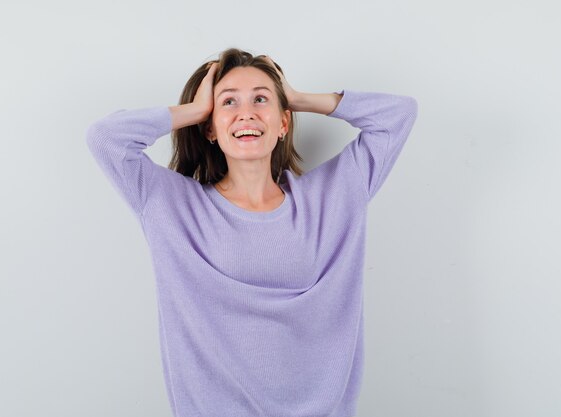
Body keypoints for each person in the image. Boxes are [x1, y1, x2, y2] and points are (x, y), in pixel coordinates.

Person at [86, 47, 418, 417]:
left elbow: (398, 114)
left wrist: (297, 97)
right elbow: (105, 138)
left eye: (261, 99)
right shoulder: (171, 205)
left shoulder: (333, 197)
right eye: (227, 102)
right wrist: (195, 110)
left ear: (283, 123)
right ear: (210, 127)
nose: (246, 112)